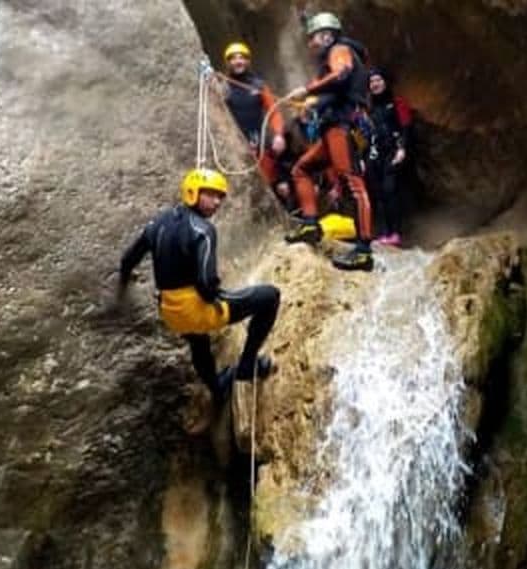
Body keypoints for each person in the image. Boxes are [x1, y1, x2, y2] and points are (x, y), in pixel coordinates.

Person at [118, 168, 280, 405]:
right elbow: (206, 284)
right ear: (193, 192)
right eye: (210, 195)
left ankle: (217, 389)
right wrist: (218, 294)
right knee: (270, 297)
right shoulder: (202, 230)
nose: (216, 202)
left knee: (198, 342)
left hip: (170, 313)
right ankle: (246, 365)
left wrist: (124, 278)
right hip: (196, 310)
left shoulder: (156, 223)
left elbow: (128, 259)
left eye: (220, 197)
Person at [284, 12, 375, 272]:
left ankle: (364, 252)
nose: (311, 43)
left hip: (342, 127)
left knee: (353, 185)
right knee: (301, 169)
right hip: (333, 128)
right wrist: (311, 101)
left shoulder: (340, 49)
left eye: (313, 37)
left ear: (327, 35)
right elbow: (336, 89)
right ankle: (311, 224)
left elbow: (343, 74)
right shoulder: (334, 56)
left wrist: (308, 90)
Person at [219, 42, 291, 204]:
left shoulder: (258, 85)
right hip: (235, 142)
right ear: (227, 63)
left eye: (242, 58)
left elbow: (273, 111)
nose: (238, 61)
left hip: (257, 141)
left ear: (248, 61)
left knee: (269, 182)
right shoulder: (223, 86)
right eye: (233, 58)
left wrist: (279, 135)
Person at [366, 67, 412, 247]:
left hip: (393, 152)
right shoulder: (369, 108)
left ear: (385, 82)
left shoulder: (397, 102)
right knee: (378, 193)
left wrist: (402, 149)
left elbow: (406, 127)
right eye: (371, 82)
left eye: (378, 80)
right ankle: (385, 232)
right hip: (376, 154)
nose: (375, 84)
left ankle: (396, 233)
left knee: (390, 190)